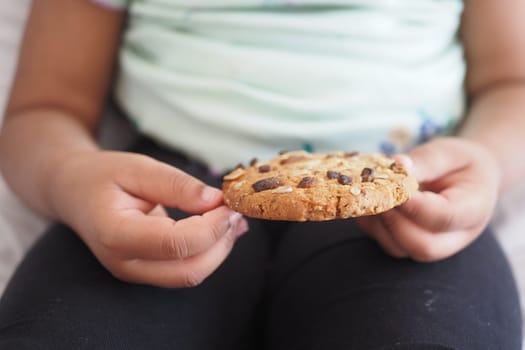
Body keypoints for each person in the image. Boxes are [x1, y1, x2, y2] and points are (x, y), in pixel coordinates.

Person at [0, 0, 523, 349]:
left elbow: (511, 82)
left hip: (402, 201)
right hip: (166, 192)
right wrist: (70, 174)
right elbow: (45, 107)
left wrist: (486, 162)